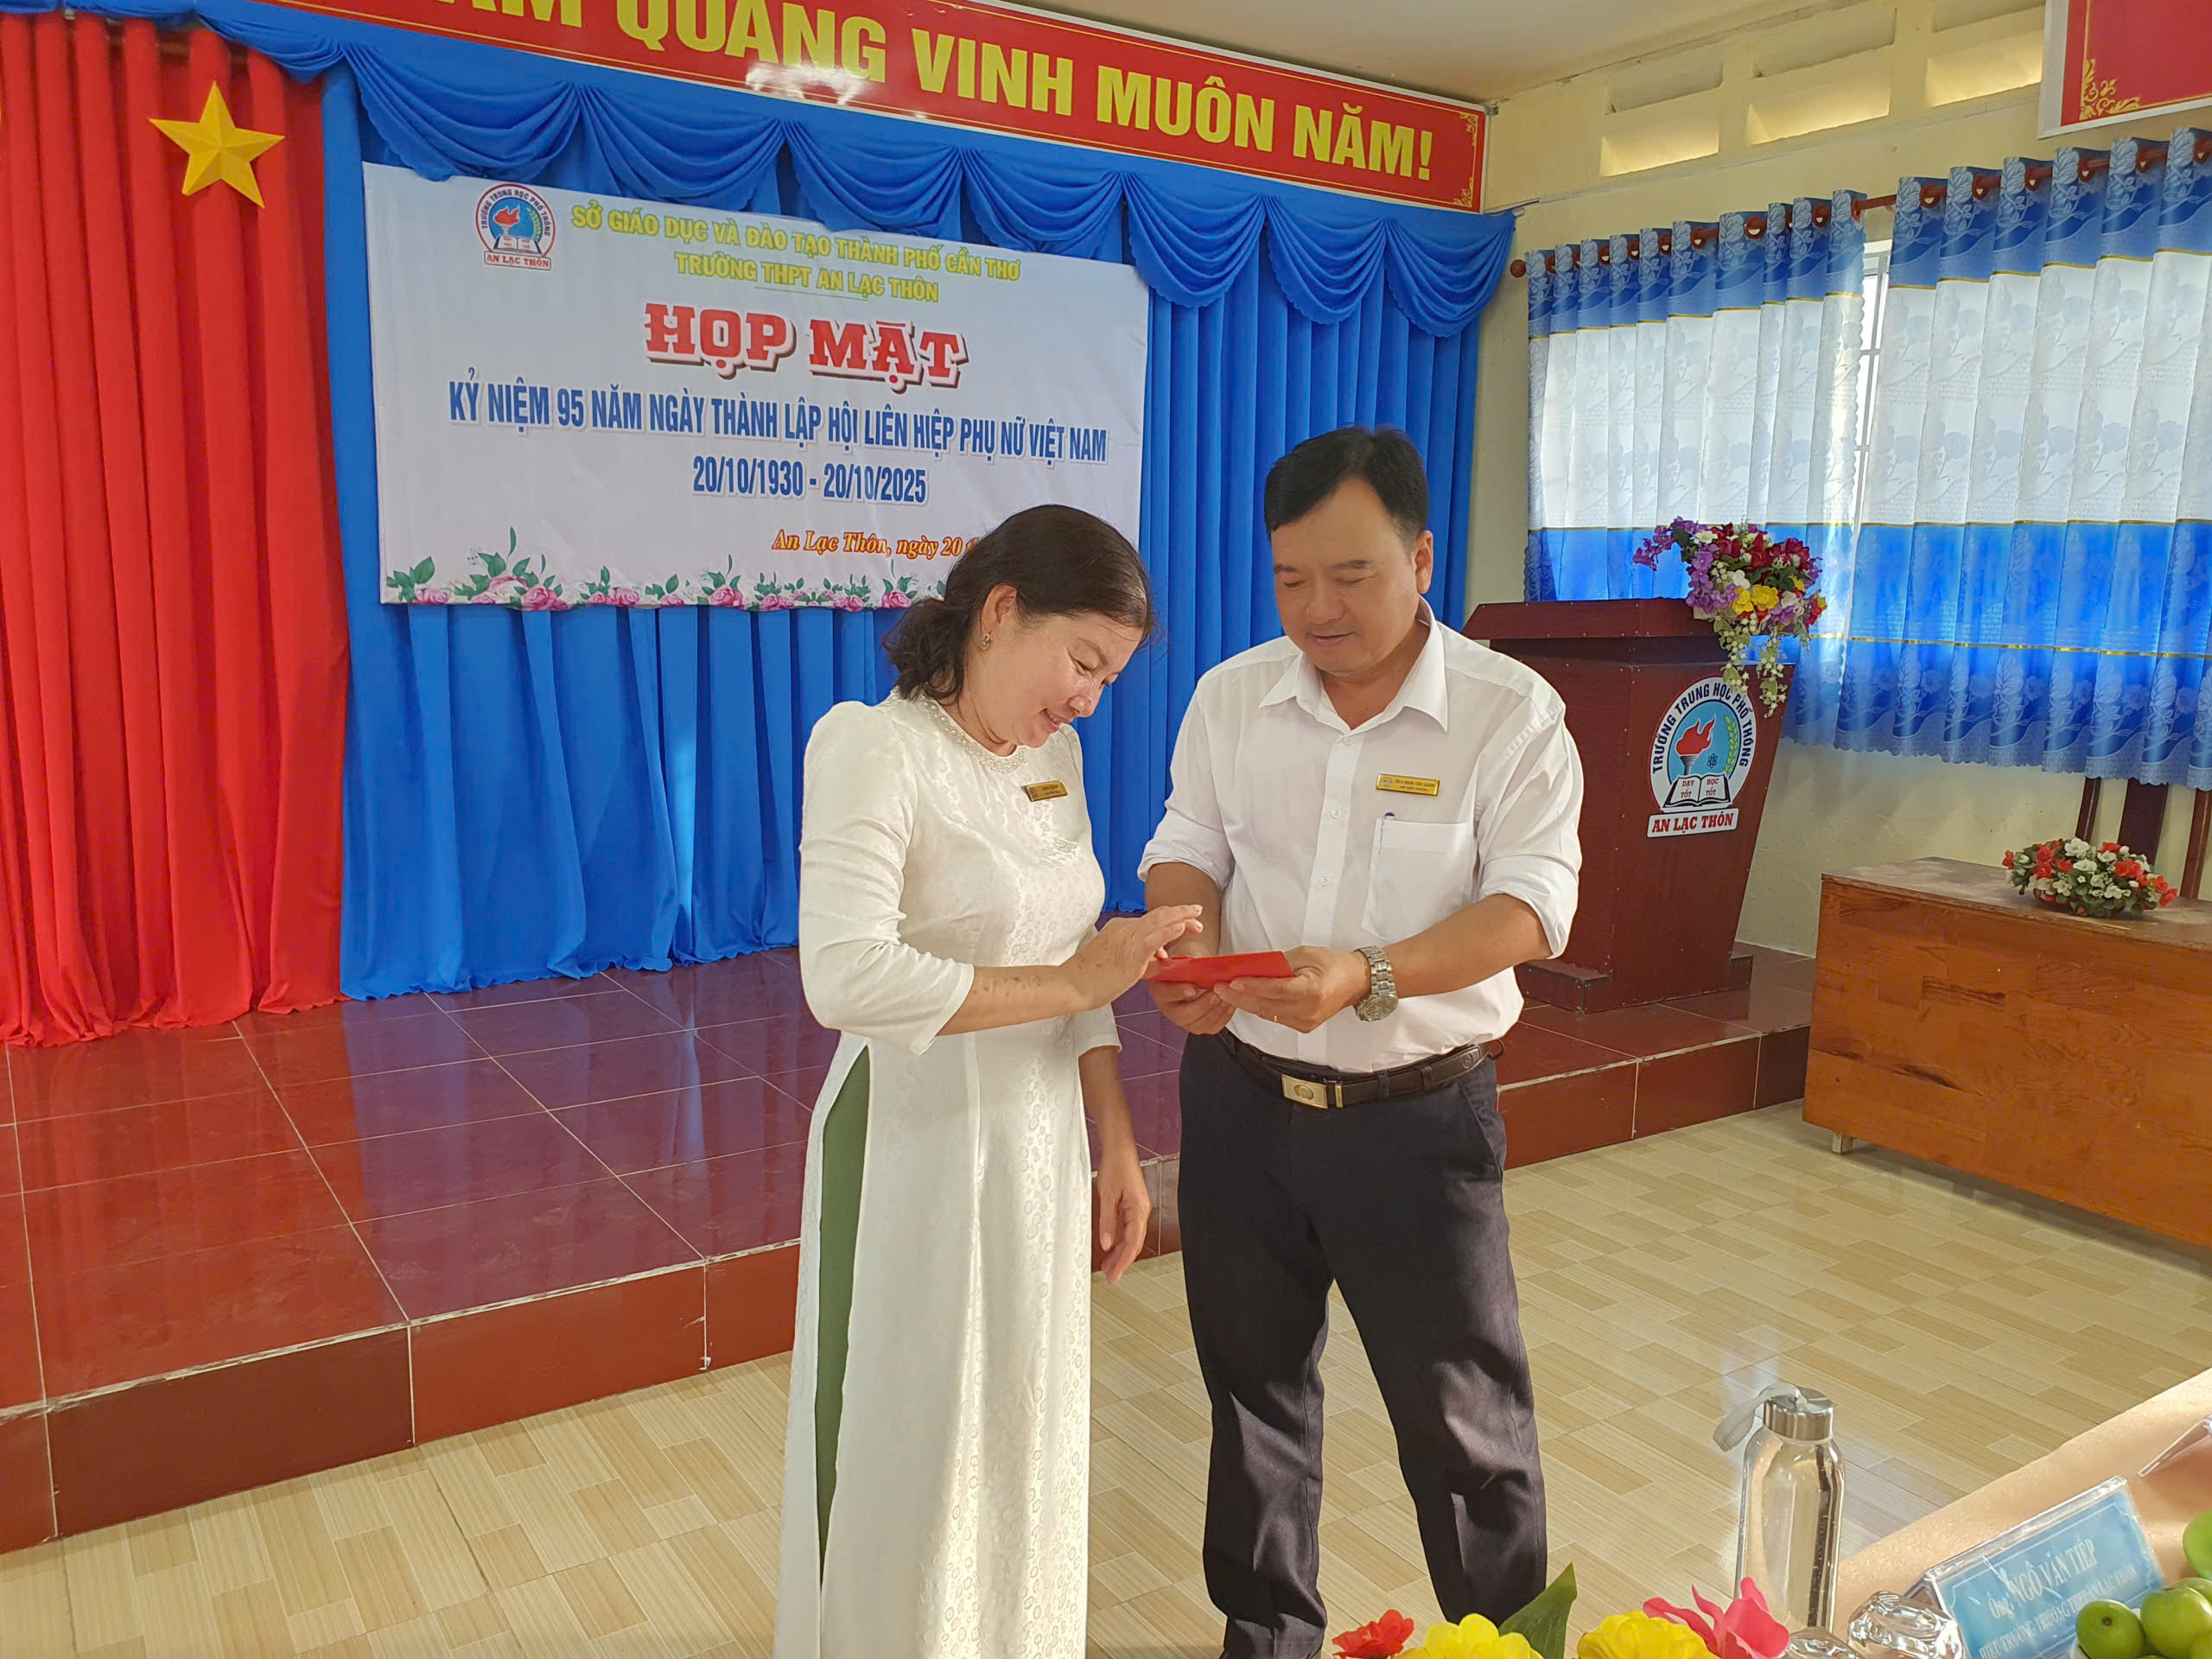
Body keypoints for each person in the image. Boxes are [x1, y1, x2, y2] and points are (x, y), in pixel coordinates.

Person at [1140, 427, 1585, 1659]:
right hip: (1241, 1101)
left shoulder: (1508, 714)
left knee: (1465, 1424)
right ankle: (1266, 1635)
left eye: (1351, 575)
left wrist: (1367, 975)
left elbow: (1532, 908)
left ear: (1422, 559)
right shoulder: (1233, 696)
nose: (1318, 610)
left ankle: (1506, 1645)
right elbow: (1187, 845)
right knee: (1253, 1394)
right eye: (1290, 579)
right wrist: (1188, 946)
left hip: (1416, 1120)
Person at [774, 504, 1201, 1659]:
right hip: (914, 1143)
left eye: (1109, 678)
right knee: (911, 1435)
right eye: (1083, 662)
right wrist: (1073, 983)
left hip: (1037, 1148)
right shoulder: (873, 748)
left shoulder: (1053, 758)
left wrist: (1116, 1142)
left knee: (1021, 1423)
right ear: (1001, 611)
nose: (1090, 700)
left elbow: (1079, 960)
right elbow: (846, 976)